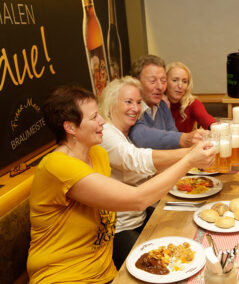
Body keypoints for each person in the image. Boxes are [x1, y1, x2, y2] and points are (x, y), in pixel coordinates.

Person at [27, 86, 215, 283]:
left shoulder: (97, 154)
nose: (102, 122)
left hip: (105, 273)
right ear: (70, 127)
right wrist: (188, 161)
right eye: (93, 118)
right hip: (63, 277)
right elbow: (137, 199)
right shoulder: (57, 166)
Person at [98, 76, 194, 268]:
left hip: (140, 217)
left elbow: (147, 172)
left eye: (138, 102)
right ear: (110, 103)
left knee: (187, 235)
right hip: (119, 230)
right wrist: (189, 155)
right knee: (161, 267)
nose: (135, 108)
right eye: (128, 102)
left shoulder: (127, 133)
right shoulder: (106, 134)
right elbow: (134, 160)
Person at [128, 55, 206, 149]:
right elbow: (139, 135)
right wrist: (183, 138)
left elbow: (173, 134)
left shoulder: (163, 106)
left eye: (163, 81)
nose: (160, 87)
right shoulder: (131, 108)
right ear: (136, 83)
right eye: (153, 81)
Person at [164, 61, 216, 132]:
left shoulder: (192, 103)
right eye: (175, 80)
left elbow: (204, 118)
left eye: (184, 81)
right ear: (165, 81)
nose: (180, 86)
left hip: (184, 143)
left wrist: (216, 127)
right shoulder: (157, 103)